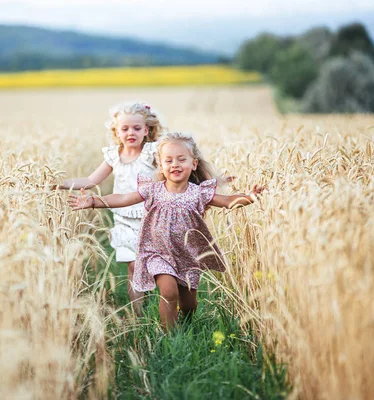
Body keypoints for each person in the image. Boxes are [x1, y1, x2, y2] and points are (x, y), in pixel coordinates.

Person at [68, 132, 264, 331]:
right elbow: (123, 198)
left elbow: (229, 202)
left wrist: (249, 197)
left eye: (181, 159)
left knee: (189, 304)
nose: (175, 164)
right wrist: (94, 202)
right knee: (169, 292)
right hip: (157, 252)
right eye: (168, 160)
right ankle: (169, 336)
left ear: (193, 164)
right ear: (161, 166)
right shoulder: (153, 190)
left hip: (188, 255)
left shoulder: (199, 193)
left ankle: (185, 326)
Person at [56, 102, 165, 316]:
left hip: (152, 218)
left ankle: (162, 306)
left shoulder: (153, 153)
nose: (130, 133)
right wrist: (59, 184)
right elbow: (90, 180)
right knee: (134, 266)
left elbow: (173, 173)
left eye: (136, 128)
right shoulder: (114, 156)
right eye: (124, 129)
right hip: (124, 219)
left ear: (147, 130)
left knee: (154, 266)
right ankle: (139, 314)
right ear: (116, 131)